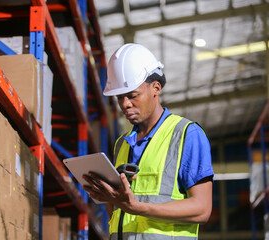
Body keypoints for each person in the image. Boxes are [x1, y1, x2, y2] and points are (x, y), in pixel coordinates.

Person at [83, 43, 214, 240]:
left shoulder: (186, 134)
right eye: (119, 98)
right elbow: (120, 214)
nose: (125, 104)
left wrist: (137, 207)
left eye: (132, 95)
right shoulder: (122, 144)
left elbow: (202, 209)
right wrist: (111, 198)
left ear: (156, 88)